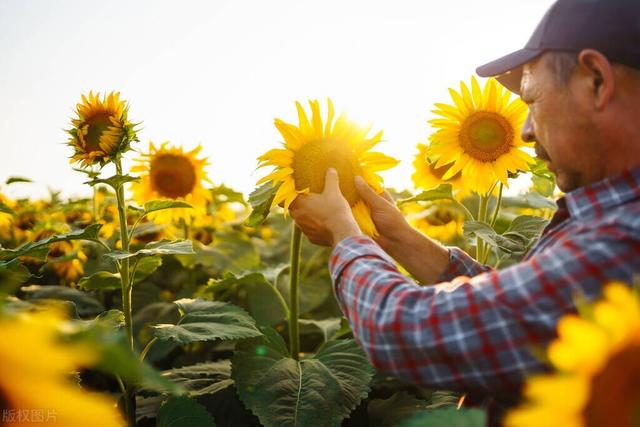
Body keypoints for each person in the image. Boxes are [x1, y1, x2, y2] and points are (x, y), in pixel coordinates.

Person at [289, 0, 640, 423]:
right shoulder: (612, 224)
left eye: (532, 99)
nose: (526, 131)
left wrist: (345, 236)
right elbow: (516, 316)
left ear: (597, 81)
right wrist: (396, 235)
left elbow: (410, 333)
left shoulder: (624, 237)